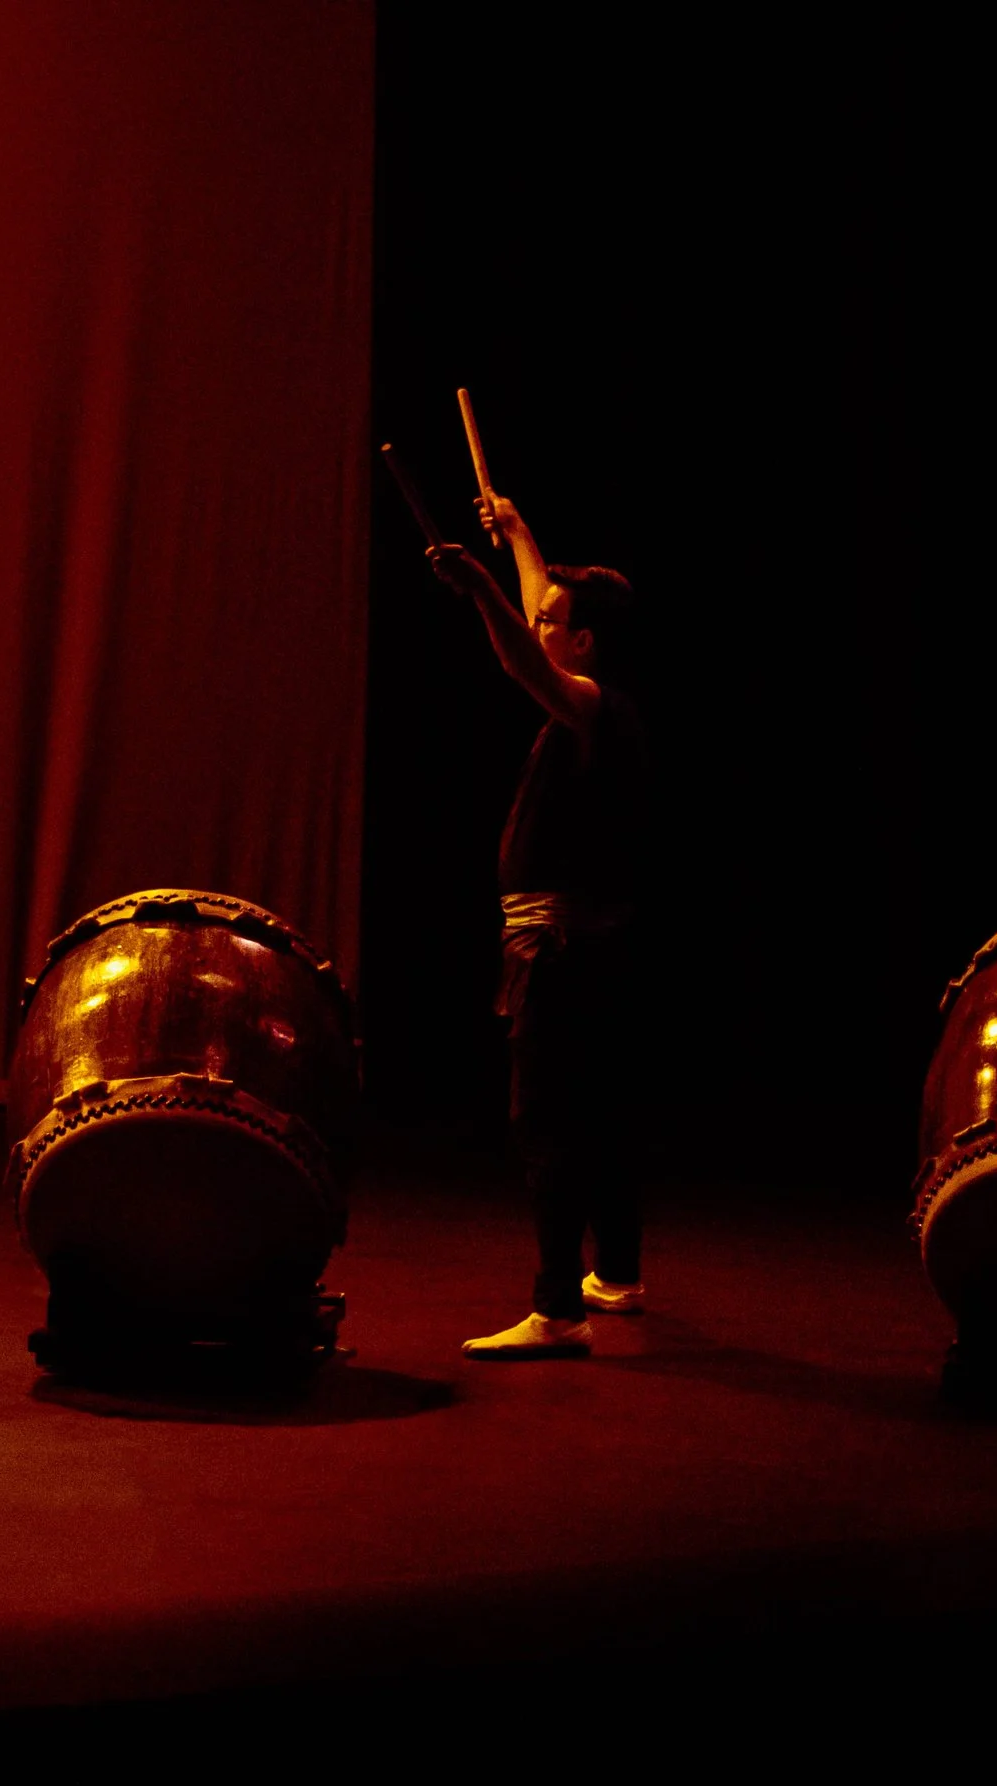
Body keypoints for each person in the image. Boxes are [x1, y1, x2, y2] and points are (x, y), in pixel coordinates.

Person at [426, 491, 649, 1359]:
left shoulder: (591, 706)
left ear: (583, 642)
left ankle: (557, 1308)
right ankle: (617, 1274)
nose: (536, 622)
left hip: (556, 953)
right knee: (606, 1111)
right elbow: (539, 622)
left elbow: (524, 661)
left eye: (551, 620)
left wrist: (479, 591)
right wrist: (516, 535)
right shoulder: (615, 704)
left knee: (548, 1121)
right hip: (595, 948)